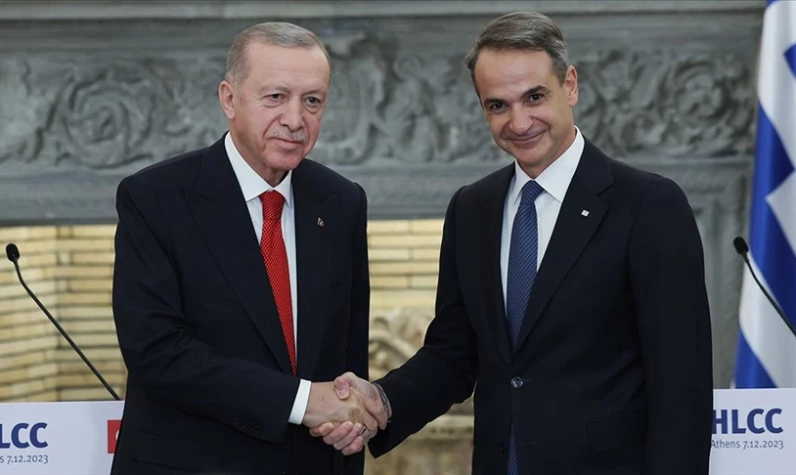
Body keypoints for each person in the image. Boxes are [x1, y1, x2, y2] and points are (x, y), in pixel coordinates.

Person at [314, 11, 714, 475]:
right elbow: (453, 354)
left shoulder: (648, 204)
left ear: (570, 86)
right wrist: (382, 400)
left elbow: (681, 386)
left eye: (534, 97)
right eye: (497, 105)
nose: (519, 122)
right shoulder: (472, 208)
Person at [110, 22, 385, 475]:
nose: (295, 120)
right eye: (276, 96)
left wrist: (350, 423)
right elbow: (156, 351)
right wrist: (302, 401)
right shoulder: (156, 197)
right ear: (229, 99)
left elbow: (347, 352)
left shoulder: (342, 201)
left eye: (312, 101)